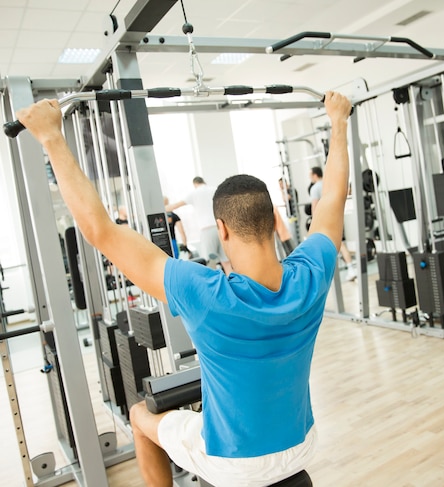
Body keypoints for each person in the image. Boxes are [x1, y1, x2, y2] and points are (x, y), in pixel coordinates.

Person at [16, 90, 352, 487]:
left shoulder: (204, 291)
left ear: (221, 229)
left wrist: (52, 138)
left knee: (141, 417)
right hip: (300, 443)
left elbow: (100, 231)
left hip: (235, 464)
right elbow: (333, 197)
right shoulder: (310, 274)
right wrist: (338, 122)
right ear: (271, 218)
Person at [165, 177, 230, 273]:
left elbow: (175, 206)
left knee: (209, 262)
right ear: (204, 181)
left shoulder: (195, 193)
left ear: (195, 184)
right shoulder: (214, 190)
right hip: (221, 228)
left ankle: (214, 286)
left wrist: (162, 208)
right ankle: (232, 284)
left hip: (207, 230)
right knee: (226, 262)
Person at [309, 165, 357, 281]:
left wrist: (313, 224)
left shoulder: (315, 188)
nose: (310, 177)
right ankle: (350, 267)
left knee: (337, 245)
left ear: (315, 175)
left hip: (323, 221)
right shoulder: (328, 184)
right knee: (338, 244)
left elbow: (314, 207)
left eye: (310, 175)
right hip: (335, 217)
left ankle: (350, 268)